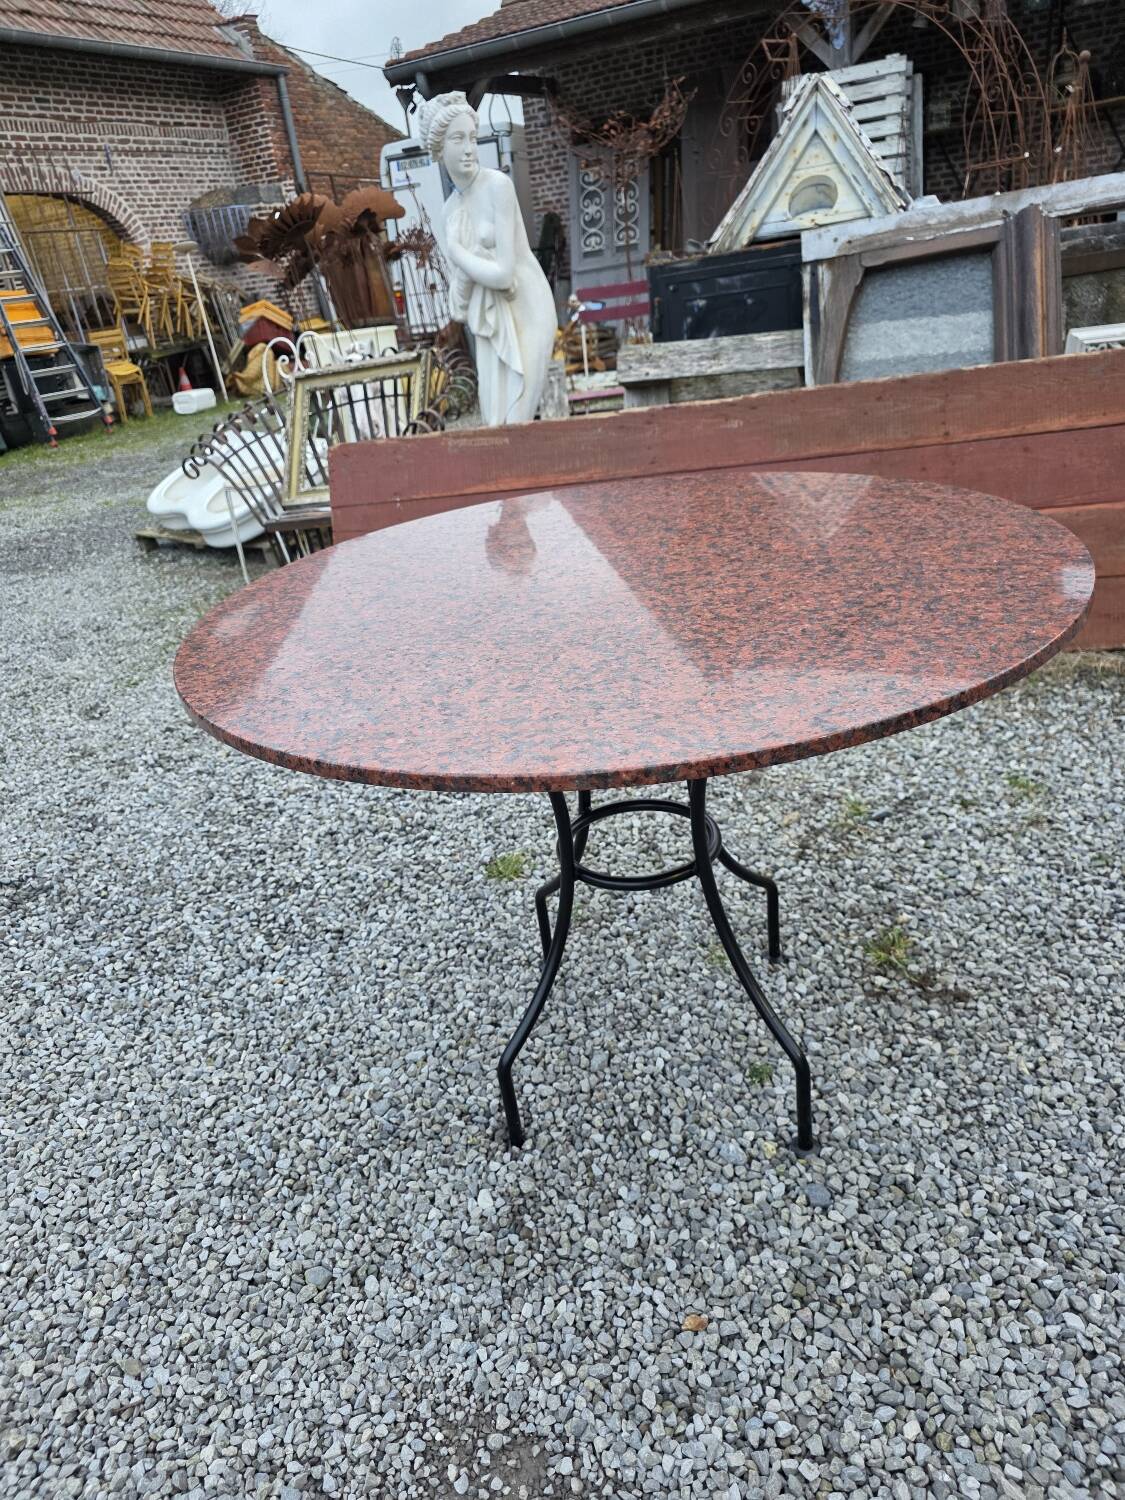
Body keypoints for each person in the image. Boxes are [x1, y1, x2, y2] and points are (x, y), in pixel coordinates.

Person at [418, 91, 556, 426]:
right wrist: (463, 266)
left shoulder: (498, 186)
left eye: (471, 138)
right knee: (495, 421)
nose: (468, 148)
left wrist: (459, 253)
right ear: (440, 149)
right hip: (488, 319)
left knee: (518, 418)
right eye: (457, 139)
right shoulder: (450, 210)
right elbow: (458, 306)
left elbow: (505, 275)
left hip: (526, 309)